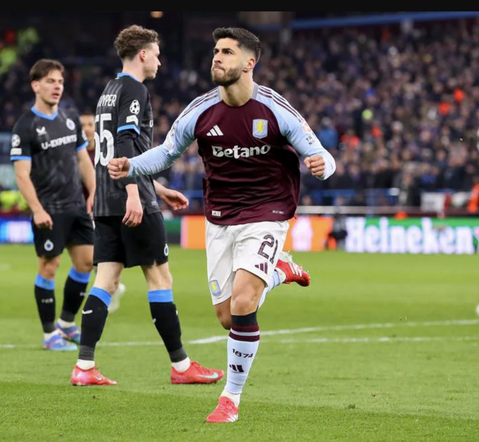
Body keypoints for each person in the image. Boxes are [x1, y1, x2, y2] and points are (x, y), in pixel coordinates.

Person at [108, 27, 335, 422]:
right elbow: (164, 154)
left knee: (246, 300)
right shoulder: (199, 110)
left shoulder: (275, 108)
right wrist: (131, 167)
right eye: (215, 51)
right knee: (229, 317)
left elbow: (321, 155)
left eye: (227, 52)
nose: (217, 57)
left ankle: (230, 398)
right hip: (220, 219)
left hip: (268, 212)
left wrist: (322, 166)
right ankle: (280, 270)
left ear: (250, 63)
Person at [70, 24, 224, 387]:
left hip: (107, 199)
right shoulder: (135, 89)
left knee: (106, 279)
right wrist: (137, 193)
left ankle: (84, 366)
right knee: (160, 277)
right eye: (155, 53)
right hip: (128, 197)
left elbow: (110, 153)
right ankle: (182, 366)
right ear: (142, 54)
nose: (159, 59)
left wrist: (159, 188)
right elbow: (125, 144)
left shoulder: (109, 91)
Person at [11, 59, 96, 351]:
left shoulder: (71, 118)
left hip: (76, 204)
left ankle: (67, 323)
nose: (57, 86)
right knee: (50, 266)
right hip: (49, 208)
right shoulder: (25, 126)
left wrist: (94, 190)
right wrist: (36, 209)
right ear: (36, 85)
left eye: (60, 81)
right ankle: (49, 335)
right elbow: (21, 174)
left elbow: (83, 159)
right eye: (50, 81)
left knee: (86, 262)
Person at [79, 110, 126, 313]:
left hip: (100, 209)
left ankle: (109, 288)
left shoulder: (104, 152)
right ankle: (111, 287)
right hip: (78, 209)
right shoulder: (75, 154)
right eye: (83, 125)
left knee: (97, 257)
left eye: (90, 124)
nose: (87, 129)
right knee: (91, 259)